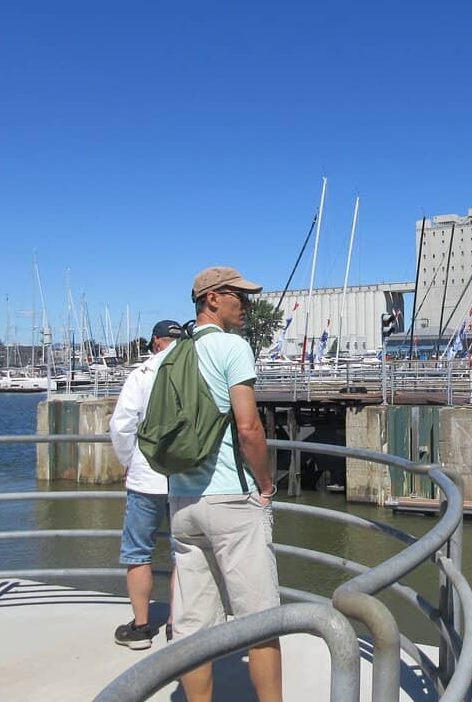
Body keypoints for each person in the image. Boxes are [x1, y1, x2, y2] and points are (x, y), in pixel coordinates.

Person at [169, 267, 282, 702]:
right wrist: (266, 484)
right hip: (230, 503)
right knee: (261, 624)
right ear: (212, 299)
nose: (247, 304)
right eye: (239, 295)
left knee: (194, 627)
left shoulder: (171, 354)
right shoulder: (232, 346)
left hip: (182, 503)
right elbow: (249, 426)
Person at [109, 319, 183, 650]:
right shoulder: (193, 372)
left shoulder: (141, 374)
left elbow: (122, 425)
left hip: (145, 476)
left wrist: (129, 461)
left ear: (156, 341)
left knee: (138, 552)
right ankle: (176, 625)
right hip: (185, 476)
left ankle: (140, 628)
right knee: (183, 553)